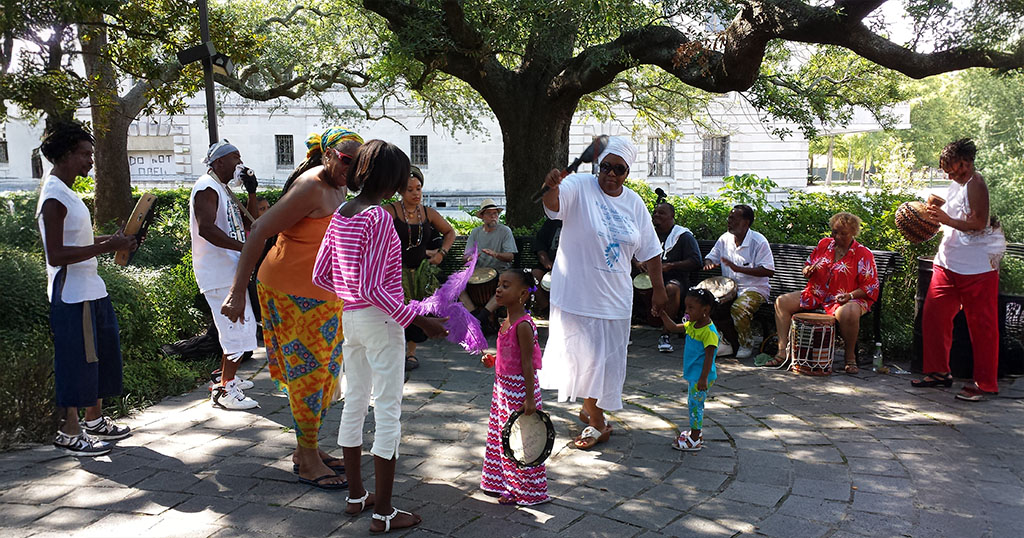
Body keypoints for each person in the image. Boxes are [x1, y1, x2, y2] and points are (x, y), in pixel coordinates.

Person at [312, 140, 448, 533]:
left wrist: (351, 295)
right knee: (387, 410)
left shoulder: (342, 214)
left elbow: (321, 275)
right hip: (382, 321)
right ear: (391, 179)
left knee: (355, 402)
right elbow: (375, 288)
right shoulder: (378, 219)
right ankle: (384, 512)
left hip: (351, 318)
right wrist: (419, 320)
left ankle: (356, 495)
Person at [221, 127, 362, 489]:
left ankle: (307, 448)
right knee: (308, 375)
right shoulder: (311, 185)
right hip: (291, 293)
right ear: (327, 155)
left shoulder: (340, 186)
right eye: (346, 159)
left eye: (359, 162)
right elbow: (259, 230)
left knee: (327, 374)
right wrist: (237, 292)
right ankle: (308, 460)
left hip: (324, 296)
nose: (352, 168)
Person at [538, 136, 667, 450]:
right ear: (598, 165)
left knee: (605, 361)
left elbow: (651, 250)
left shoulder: (634, 203)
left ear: (627, 173)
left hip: (615, 298)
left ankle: (594, 413)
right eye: (606, 166)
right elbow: (553, 206)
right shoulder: (579, 185)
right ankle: (595, 418)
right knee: (581, 357)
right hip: (577, 295)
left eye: (619, 170)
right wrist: (551, 186)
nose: (611, 174)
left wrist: (659, 289)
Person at [36, 121, 135, 456]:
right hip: (72, 294)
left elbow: (79, 241)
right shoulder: (53, 196)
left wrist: (116, 241)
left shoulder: (66, 192)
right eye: (85, 154)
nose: (91, 160)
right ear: (65, 154)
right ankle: (69, 432)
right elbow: (56, 254)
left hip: (92, 289)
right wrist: (107, 247)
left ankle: (94, 420)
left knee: (101, 358)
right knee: (77, 362)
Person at [913, 138, 1006, 401]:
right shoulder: (957, 184)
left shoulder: (977, 183)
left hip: (978, 266)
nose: (949, 174)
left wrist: (947, 220)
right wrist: (931, 216)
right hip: (948, 260)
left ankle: (985, 383)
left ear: (965, 162)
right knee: (934, 316)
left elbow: (978, 223)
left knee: (982, 326)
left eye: (952, 168)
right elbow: (955, 218)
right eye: (945, 169)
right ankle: (938, 372)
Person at [189, 140, 262, 410]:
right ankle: (224, 390)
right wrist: (244, 249)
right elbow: (206, 229)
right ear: (219, 162)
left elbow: (250, 223)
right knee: (237, 330)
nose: (240, 164)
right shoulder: (206, 187)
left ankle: (225, 377)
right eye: (235, 158)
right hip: (218, 272)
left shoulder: (222, 188)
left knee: (239, 329)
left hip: (230, 270)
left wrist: (252, 192)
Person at [769, 212, 879, 373]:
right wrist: (807, 270)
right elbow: (808, 265)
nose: (837, 236)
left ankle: (850, 357)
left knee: (848, 312)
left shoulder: (862, 253)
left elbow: (870, 286)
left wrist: (850, 296)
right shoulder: (824, 244)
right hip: (817, 294)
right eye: (835, 232)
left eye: (843, 233)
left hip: (847, 298)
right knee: (782, 302)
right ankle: (782, 352)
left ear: (853, 233)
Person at [480, 270, 550, 506]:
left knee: (521, 441)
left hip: (519, 390)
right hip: (503, 389)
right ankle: (506, 483)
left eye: (506, 285)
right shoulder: (506, 322)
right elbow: (511, 355)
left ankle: (528, 490)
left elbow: (528, 364)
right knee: (504, 437)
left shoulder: (523, 325)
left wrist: (530, 399)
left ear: (522, 294)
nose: (498, 289)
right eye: (499, 284)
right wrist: (494, 360)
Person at [383, 165, 456, 371]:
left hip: (421, 272)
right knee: (398, 312)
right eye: (410, 190)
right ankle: (394, 352)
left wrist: (441, 253)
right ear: (400, 191)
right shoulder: (390, 211)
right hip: (395, 272)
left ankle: (411, 353)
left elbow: (450, 232)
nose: (416, 194)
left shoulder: (427, 213)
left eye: (418, 189)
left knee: (418, 311)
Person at [702, 204, 775, 359]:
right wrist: (709, 263)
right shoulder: (724, 239)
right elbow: (711, 256)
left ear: (746, 222)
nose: (729, 221)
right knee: (705, 302)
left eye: (733, 219)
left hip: (754, 289)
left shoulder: (758, 241)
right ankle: (725, 342)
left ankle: (746, 343)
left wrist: (739, 269)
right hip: (728, 288)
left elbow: (769, 270)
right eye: (729, 218)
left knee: (738, 308)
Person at [660, 288, 719, 451]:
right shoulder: (693, 324)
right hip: (695, 374)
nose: (686, 311)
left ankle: (694, 439)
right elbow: (673, 327)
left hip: (700, 376)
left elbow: (709, 358)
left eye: (691, 308)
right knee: (693, 403)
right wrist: (662, 313)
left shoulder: (709, 332)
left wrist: (703, 378)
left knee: (695, 405)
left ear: (705, 310)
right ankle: (695, 433)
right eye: (686, 307)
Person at [640, 201, 701, 353]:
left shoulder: (683, 236)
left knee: (672, 289)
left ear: (672, 216)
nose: (656, 215)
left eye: (661, 213)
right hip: (651, 277)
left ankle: (665, 334)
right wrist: (637, 262)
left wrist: (671, 265)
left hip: (676, 279)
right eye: (655, 212)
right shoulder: (649, 234)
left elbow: (696, 261)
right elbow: (633, 252)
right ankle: (625, 331)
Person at [460, 199, 518, 330]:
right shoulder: (475, 232)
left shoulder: (505, 231)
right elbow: (465, 257)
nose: (493, 216)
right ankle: (477, 315)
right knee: (458, 286)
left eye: (495, 213)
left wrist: (496, 254)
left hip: (500, 271)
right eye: (489, 213)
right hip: (478, 272)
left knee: (502, 286)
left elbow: (510, 256)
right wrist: (470, 258)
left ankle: (480, 318)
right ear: (482, 216)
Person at [531, 218, 562, 315]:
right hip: (550, 264)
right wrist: (546, 261)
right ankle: (546, 310)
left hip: (572, 267)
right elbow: (540, 245)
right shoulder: (552, 222)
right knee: (535, 275)